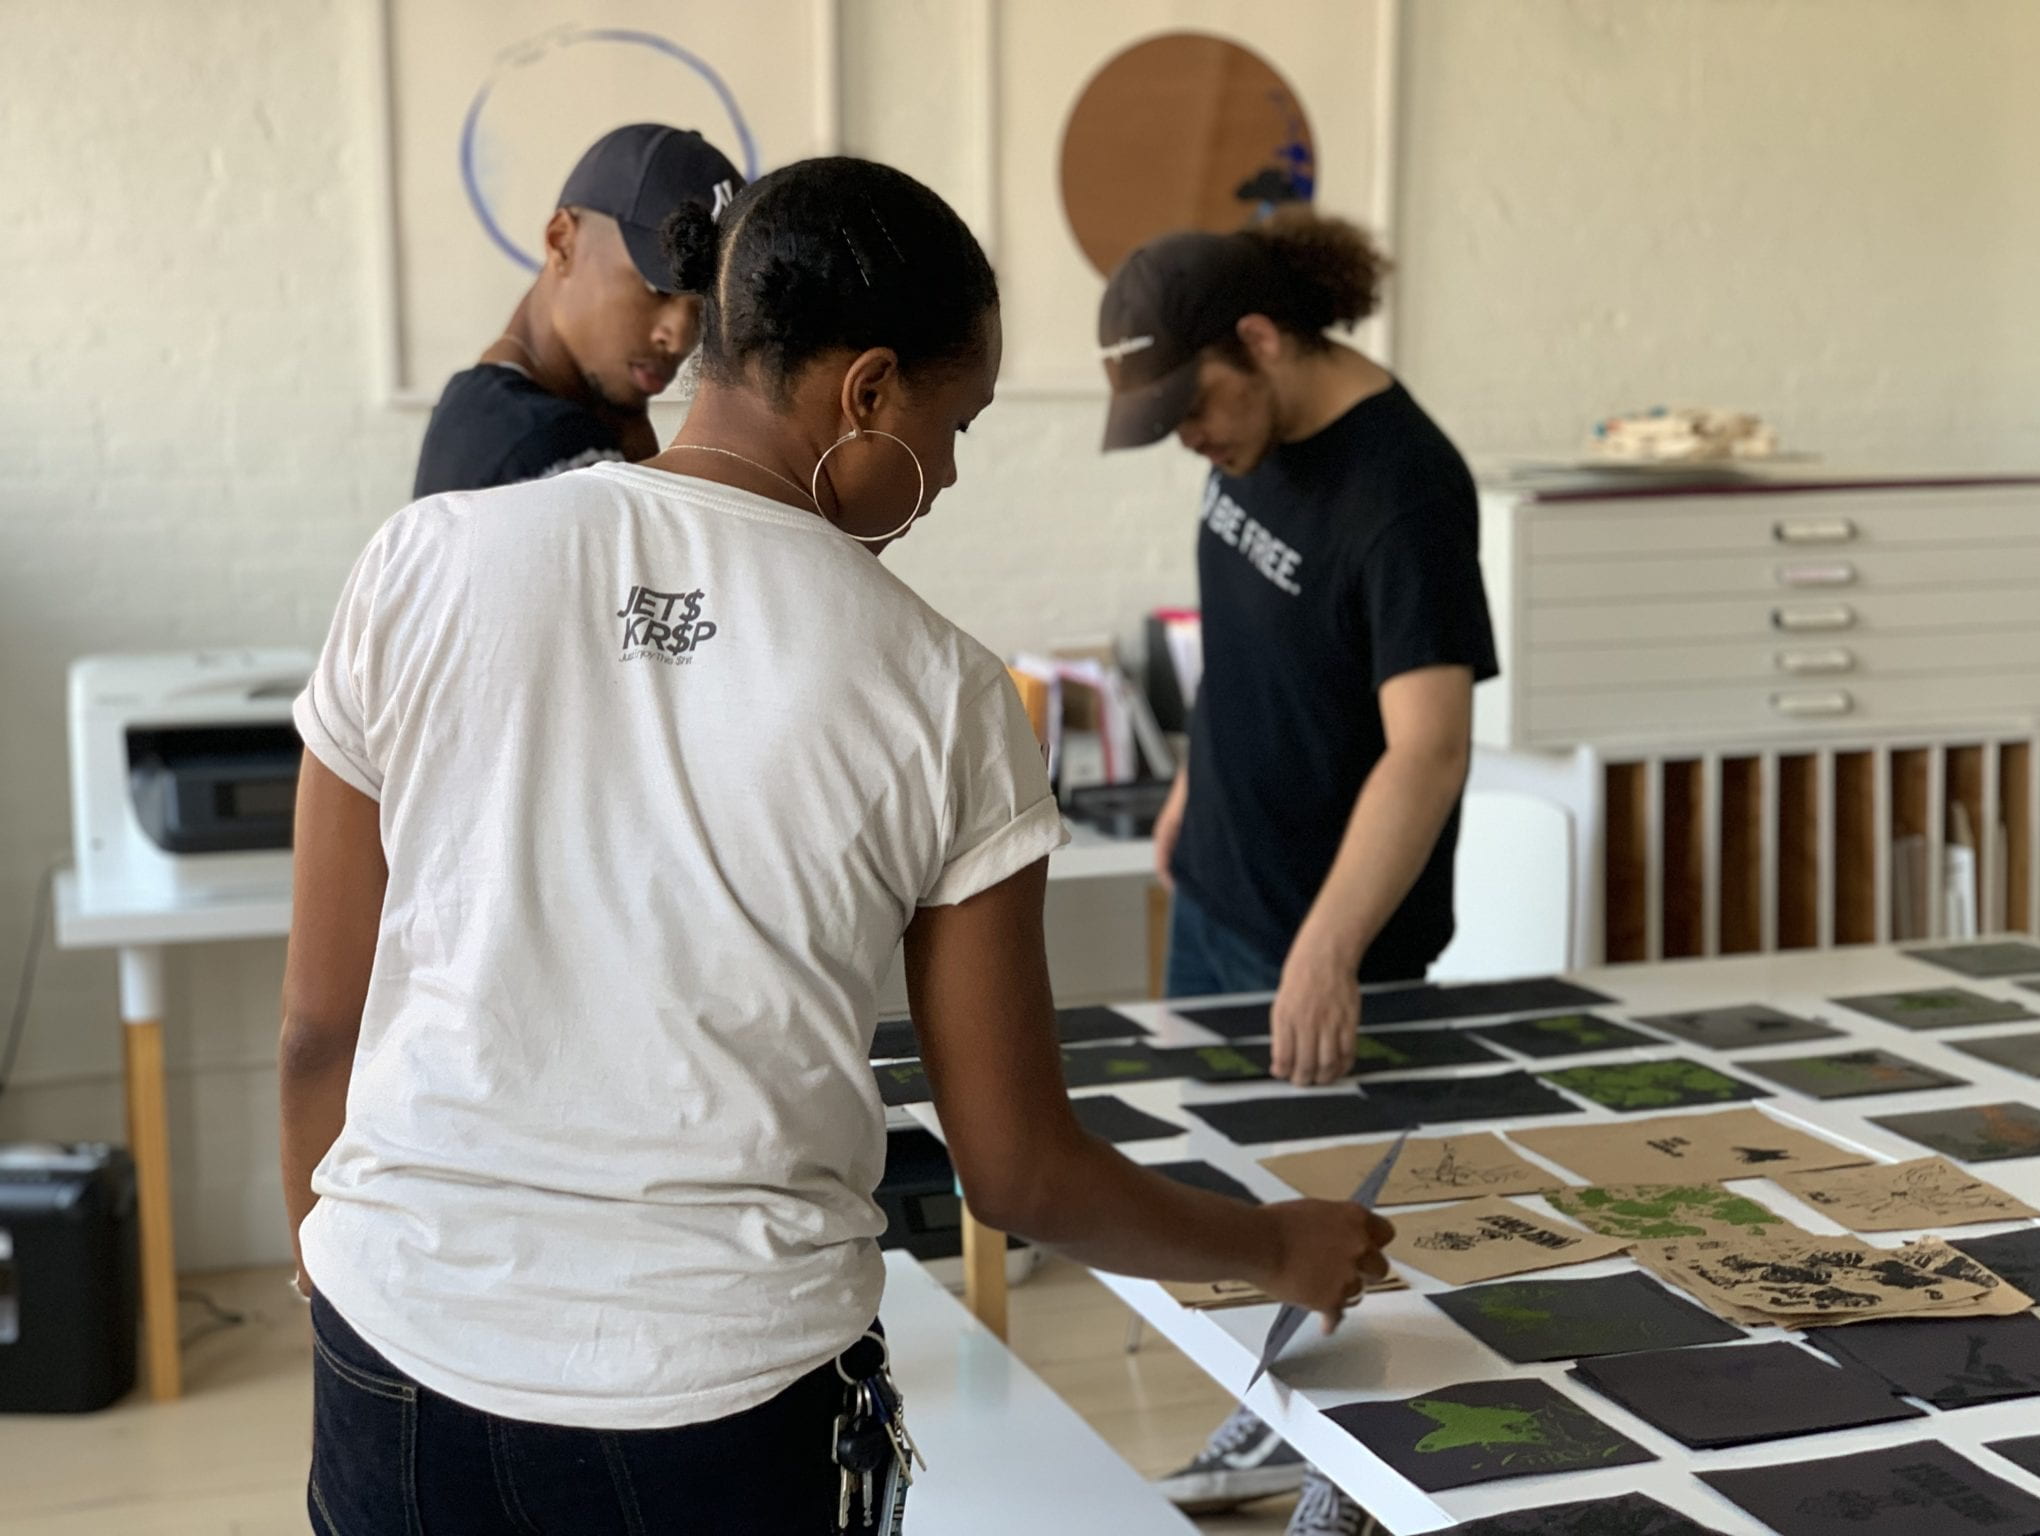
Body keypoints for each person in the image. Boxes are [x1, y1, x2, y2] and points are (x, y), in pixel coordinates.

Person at [281, 156, 1393, 1535]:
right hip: (719, 1397)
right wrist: (1280, 1245)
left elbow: (319, 1031)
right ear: (865, 393)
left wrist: (335, 1279)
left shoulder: (424, 559)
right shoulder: (944, 692)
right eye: (956, 421)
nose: (951, 470)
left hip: (394, 1350)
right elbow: (1022, 1174)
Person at [1099, 214, 1499, 1535]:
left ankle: (1349, 1469)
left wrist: (1327, 949)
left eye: (1194, 406)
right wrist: (1191, 793)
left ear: (1260, 341)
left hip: (1320, 938)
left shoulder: (1404, 487)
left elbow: (1430, 749)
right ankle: (1269, 1419)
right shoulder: (1249, 435)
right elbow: (1250, 633)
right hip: (1218, 885)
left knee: (1329, 1225)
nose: (1190, 441)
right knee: (1224, 1202)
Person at [410, 123, 741, 498]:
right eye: (656, 289)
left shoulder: (480, 409)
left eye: (706, 308)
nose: (680, 336)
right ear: (562, 241)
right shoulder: (548, 445)